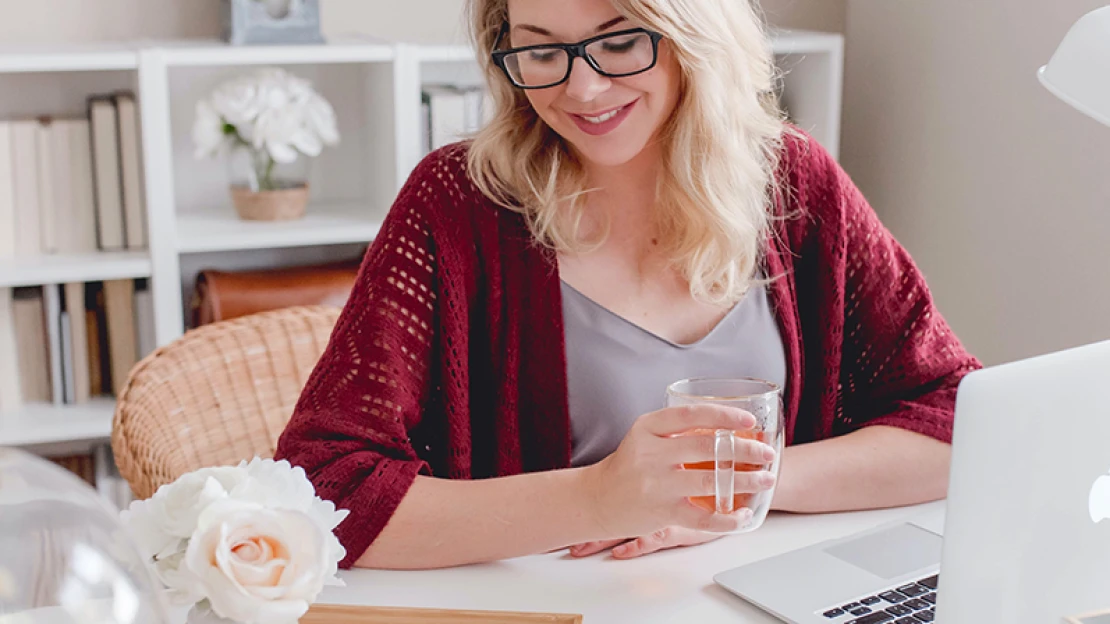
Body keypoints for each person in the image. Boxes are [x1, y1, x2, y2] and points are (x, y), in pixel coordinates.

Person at [274, 0, 980, 571]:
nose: (581, 89)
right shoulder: (457, 203)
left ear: (691, 31)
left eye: (619, 41)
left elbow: (958, 419)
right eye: (541, 50)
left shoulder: (796, 182)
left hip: (750, 594)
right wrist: (598, 498)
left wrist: (733, 490)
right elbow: (322, 485)